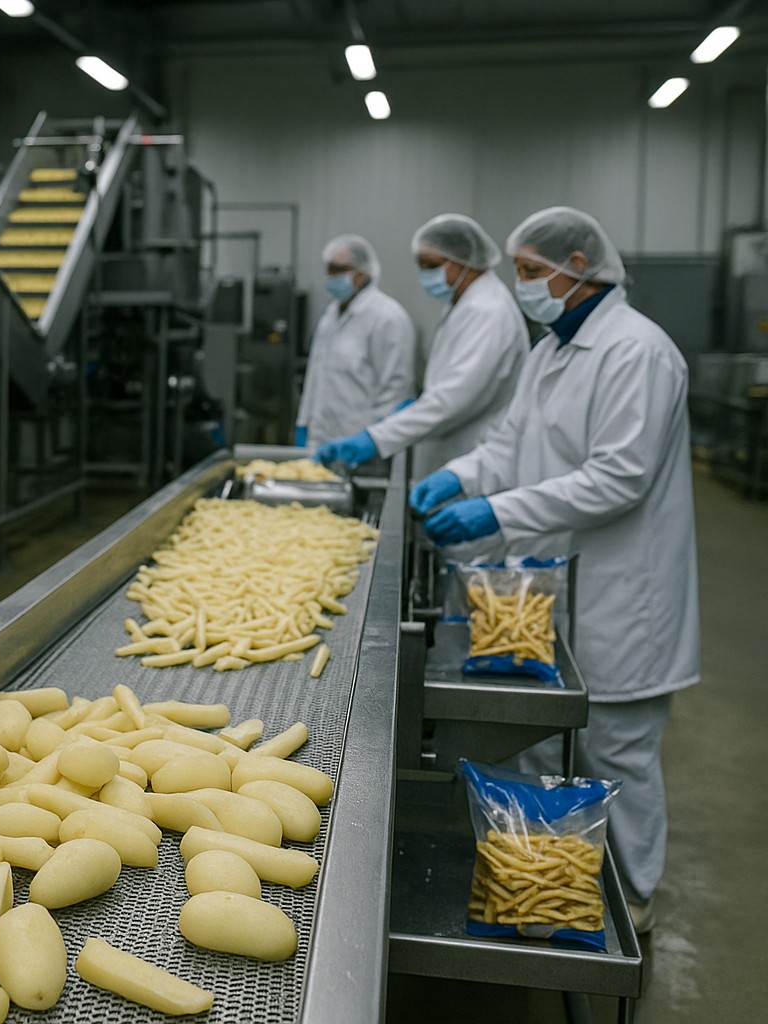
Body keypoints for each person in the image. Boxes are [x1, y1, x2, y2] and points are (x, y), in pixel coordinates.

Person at [412, 206, 700, 933]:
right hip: (545, 595)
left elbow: (618, 479)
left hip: (623, 600)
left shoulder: (639, 351)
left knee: (618, 753)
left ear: (579, 265)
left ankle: (633, 902)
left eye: (532, 271)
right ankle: (552, 891)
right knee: (541, 738)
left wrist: (496, 512)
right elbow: (506, 446)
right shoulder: (550, 352)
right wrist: (459, 476)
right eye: (519, 271)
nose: (523, 285)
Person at [315, 215, 526, 479]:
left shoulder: (487, 312)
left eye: (432, 265)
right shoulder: (464, 306)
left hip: (473, 462)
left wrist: (376, 438)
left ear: (464, 261)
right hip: (450, 457)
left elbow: (451, 400)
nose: (425, 275)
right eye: (421, 266)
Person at [294, 234, 415, 448]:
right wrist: (303, 422)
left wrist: (372, 439)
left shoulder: (387, 317)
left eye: (338, 270)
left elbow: (395, 390)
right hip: (320, 438)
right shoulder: (330, 315)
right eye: (329, 269)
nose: (330, 277)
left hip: (360, 442)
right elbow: (316, 375)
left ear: (361, 273)